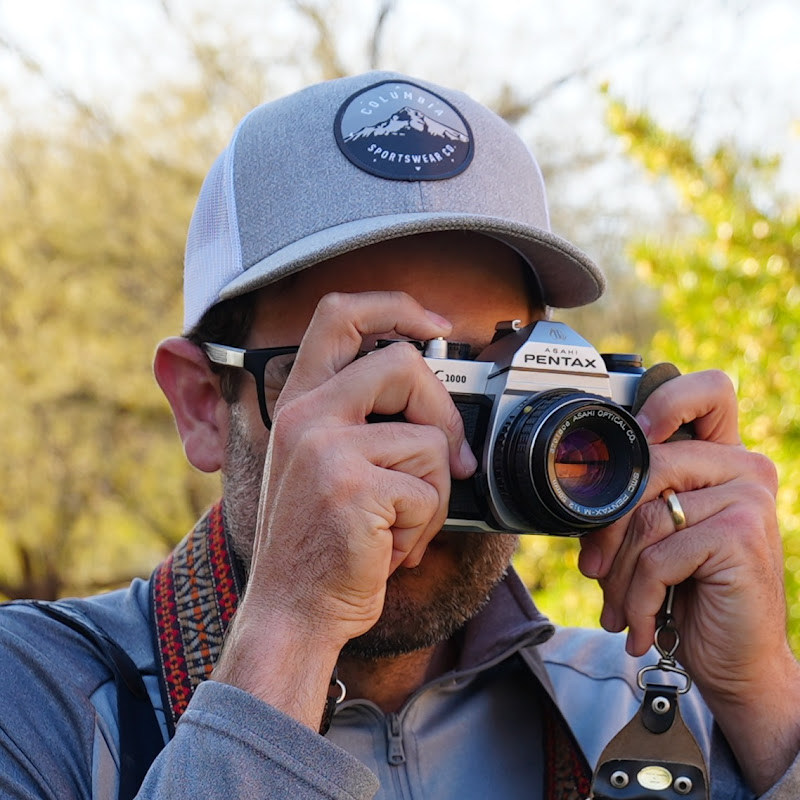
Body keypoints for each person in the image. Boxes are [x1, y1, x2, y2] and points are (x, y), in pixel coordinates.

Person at [0, 70, 797, 800]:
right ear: (205, 404)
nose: (442, 447)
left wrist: (766, 704)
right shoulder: (40, 700)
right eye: (370, 378)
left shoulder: (636, 711)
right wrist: (289, 635)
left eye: (490, 380)